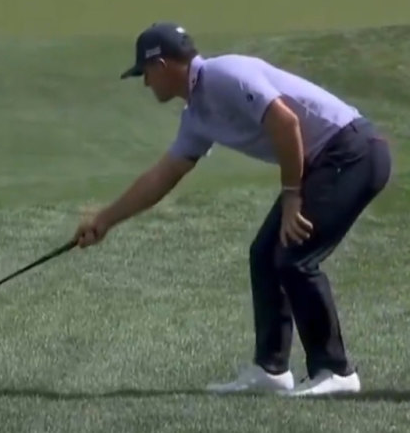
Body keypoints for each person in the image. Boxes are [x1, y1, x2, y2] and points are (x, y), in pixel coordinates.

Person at [73, 21, 392, 396]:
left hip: (352, 152)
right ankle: (270, 370)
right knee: (264, 254)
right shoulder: (197, 115)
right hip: (326, 161)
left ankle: (336, 371)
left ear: (161, 66)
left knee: (295, 258)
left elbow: (285, 121)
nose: (146, 84)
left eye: (145, 74)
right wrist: (105, 220)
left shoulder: (223, 74)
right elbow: (163, 176)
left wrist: (292, 195)